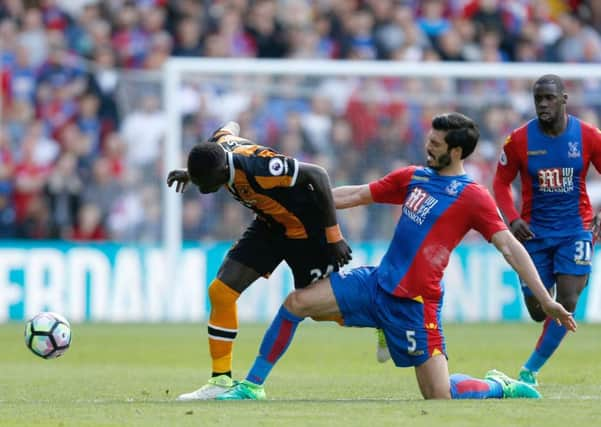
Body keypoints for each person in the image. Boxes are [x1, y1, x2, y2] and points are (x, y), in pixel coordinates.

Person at [215, 112, 576, 401]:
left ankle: (500, 386)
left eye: (435, 144)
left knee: (439, 394)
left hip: (416, 303)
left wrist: (546, 299)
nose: (427, 146)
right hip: (376, 283)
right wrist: (295, 197)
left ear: (455, 152)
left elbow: (511, 246)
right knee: (296, 303)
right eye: (429, 139)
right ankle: (252, 386)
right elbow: (354, 195)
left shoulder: (473, 197)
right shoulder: (414, 177)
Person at [167, 122, 352, 400]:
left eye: (204, 182)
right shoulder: (217, 147)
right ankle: (220, 381)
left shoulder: (260, 167)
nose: (202, 190)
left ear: (220, 171)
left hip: (305, 229)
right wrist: (193, 175)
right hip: (270, 225)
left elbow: (318, 174)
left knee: (318, 309)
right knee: (221, 291)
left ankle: (382, 316)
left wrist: (333, 235)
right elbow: (230, 126)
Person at [493, 74, 601, 386]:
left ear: (564, 99)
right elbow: (500, 182)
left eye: (549, 98)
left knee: (567, 300)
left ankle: (530, 371)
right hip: (533, 234)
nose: (543, 104)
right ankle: (570, 279)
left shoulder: (588, 136)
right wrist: (512, 219)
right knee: (539, 311)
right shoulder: (519, 141)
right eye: (538, 98)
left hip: (576, 229)